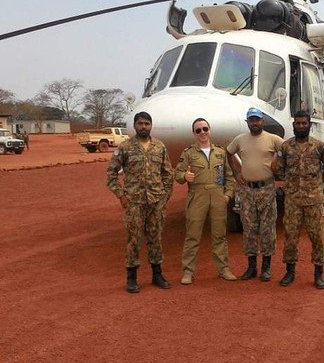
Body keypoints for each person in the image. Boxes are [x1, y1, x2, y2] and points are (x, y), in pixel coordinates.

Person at [106, 112, 174, 293]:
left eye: (147, 124)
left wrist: (164, 196)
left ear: (151, 126)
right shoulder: (125, 147)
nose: (144, 127)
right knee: (134, 240)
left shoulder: (159, 146)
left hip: (156, 202)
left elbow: (168, 173)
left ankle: (157, 275)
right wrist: (121, 196)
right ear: (135, 125)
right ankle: (131, 278)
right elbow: (111, 174)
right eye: (140, 123)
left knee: (155, 238)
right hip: (134, 202)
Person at [272, 110, 324, 290]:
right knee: (290, 238)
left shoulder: (320, 147)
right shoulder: (286, 147)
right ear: (293, 125)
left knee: (317, 238)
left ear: (309, 125)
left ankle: (318, 274)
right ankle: (290, 271)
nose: (301, 126)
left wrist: (315, 182)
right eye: (298, 123)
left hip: (314, 201)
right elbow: (278, 169)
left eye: (304, 123)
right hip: (292, 201)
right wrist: (291, 182)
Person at [175, 118, 238, 284]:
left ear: (210, 130)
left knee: (219, 235)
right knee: (192, 236)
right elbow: (178, 174)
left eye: (205, 129)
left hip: (218, 196)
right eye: (198, 130)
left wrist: (227, 195)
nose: (202, 133)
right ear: (194, 134)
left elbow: (229, 176)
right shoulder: (188, 153)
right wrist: (184, 176)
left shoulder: (220, 152)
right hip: (197, 196)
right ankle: (188, 272)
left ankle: (223, 269)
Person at [226, 108, 284, 282]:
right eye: (251, 120)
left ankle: (266, 267)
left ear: (262, 121)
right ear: (247, 122)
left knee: (267, 228)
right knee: (249, 228)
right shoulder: (240, 140)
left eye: (257, 120)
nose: (254, 123)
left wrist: (278, 163)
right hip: (247, 190)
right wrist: (236, 173)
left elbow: (287, 150)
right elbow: (228, 152)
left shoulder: (273, 139)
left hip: (266, 189)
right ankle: (251, 267)